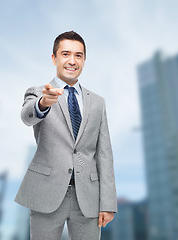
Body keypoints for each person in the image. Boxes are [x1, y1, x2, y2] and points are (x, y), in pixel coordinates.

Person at [15, 30, 117, 240]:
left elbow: (104, 153)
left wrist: (108, 202)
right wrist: (43, 103)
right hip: (47, 193)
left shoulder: (98, 102)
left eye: (78, 55)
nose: (72, 61)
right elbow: (27, 116)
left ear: (84, 60)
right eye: (65, 54)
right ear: (54, 58)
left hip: (88, 198)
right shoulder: (39, 92)